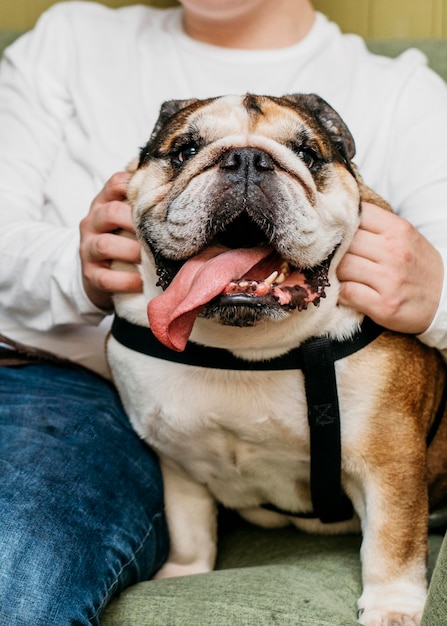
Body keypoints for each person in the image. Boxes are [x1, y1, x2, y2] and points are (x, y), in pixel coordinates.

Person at [1, 0, 447, 623]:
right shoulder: (69, 37)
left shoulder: (401, 91)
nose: (243, 169)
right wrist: (75, 267)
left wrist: (438, 292)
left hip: (107, 407)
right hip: (51, 373)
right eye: (187, 155)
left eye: (302, 159)